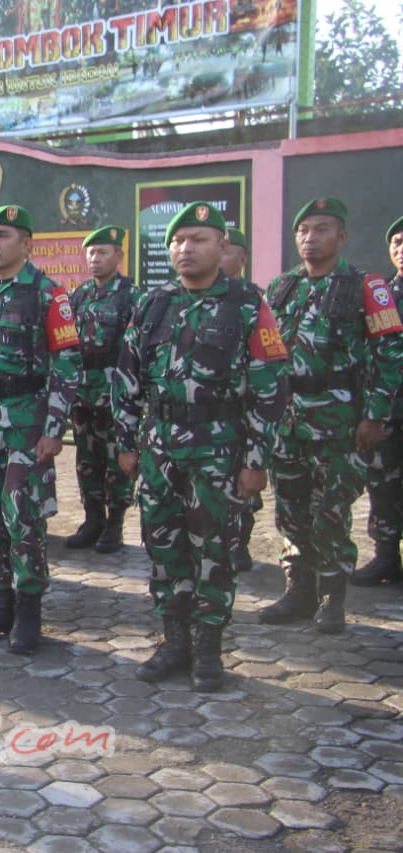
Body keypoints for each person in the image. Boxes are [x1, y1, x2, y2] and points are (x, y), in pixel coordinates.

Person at [113, 202, 288, 692]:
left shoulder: (248, 303)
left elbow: (270, 386)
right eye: (178, 240)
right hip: (160, 448)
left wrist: (256, 461)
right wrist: (126, 442)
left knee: (215, 549)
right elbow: (127, 377)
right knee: (164, 546)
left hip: (220, 449)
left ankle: (209, 648)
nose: (186, 249)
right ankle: (174, 641)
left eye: (199, 239)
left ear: (223, 247)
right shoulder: (153, 304)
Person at [260, 198, 403, 634]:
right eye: (303, 230)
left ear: (341, 236)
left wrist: (376, 415)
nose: (310, 237)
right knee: (290, 510)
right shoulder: (282, 286)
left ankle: (331, 599)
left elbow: (391, 353)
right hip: (287, 421)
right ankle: (298, 591)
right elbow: (265, 352)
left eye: (321, 229)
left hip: (339, 421)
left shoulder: (367, 286)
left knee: (332, 512)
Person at [0, 205, 81, 655]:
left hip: (26, 423)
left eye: (3, 235)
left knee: (23, 516)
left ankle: (29, 611)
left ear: (26, 244)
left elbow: (67, 365)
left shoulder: (48, 294)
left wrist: (55, 427)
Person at [65, 226, 136, 553]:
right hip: (84, 391)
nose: (95, 258)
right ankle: (92, 519)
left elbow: (136, 352)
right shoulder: (78, 295)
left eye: (103, 252)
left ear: (119, 256)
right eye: (91, 253)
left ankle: (115, 525)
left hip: (115, 392)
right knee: (86, 459)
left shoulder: (132, 295)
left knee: (115, 460)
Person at [355, 214, 403, 586]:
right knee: (383, 482)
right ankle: (386, 556)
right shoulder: (382, 295)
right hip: (390, 409)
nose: (402, 249)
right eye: (397, 243)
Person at [222, 227, 261, 572]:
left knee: (242, 479)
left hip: (243, 409)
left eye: (227, 249)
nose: (219, 255)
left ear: (242, 258)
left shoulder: (255, 299)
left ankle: (241, 542)